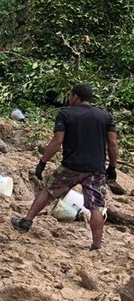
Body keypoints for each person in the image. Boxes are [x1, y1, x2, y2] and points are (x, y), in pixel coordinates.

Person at [11, 84, 119, 250]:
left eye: (70, 95)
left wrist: (43, 162)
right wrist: (112, 166)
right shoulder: (105, 116)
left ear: (75, 97)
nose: (68, 99)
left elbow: (57, 141)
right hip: (95, 169)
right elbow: (112, 143)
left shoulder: (66, 114)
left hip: (71, 166)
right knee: (96, 206)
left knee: (48, 191)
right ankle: (96, 245)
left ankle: (26, 221)